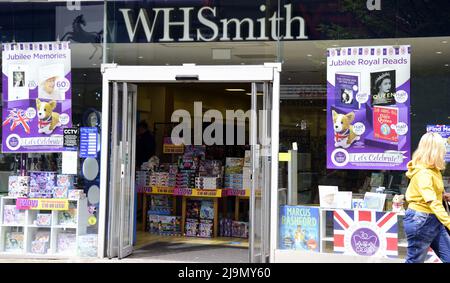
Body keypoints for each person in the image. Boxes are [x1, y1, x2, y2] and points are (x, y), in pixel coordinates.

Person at [404, 132, 450, 263]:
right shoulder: (424, 172)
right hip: (422, 219)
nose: (444, 151)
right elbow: (432, 202)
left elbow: (432, 195)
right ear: (436, 151)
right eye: (442, 148)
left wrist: (442, 195)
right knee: (415, 261)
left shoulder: (433, 170)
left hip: (432, 218)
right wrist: (448, 222)